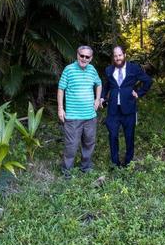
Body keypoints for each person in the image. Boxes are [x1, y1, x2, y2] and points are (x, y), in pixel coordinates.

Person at [100, 45, 153, 168]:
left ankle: (128, 162)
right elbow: (106, 85)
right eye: (115, 56)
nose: (117, 58)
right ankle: (115, 163)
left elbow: (148, 81)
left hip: (129, 109)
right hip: (113, 110)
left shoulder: (133, 68)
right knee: (112, 136)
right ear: (113, 57)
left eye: (119, 55)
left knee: (129, 136)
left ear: (124, 55)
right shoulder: (109, 70)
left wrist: (139, 93)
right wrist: (102, 97)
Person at [57, 45, 102, 175]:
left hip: (90, 116)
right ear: (77, 55)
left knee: (89, 143)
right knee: (71, 145)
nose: (84, 58)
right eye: (81, 55)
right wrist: (60, 108)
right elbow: (61, 89)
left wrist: (97, 99)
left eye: (87, 56)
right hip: (73, 116)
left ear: (91, 58)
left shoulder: (92, 70)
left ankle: (86, 167)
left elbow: (99, 83)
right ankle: (67, 171)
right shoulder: (68, 70)